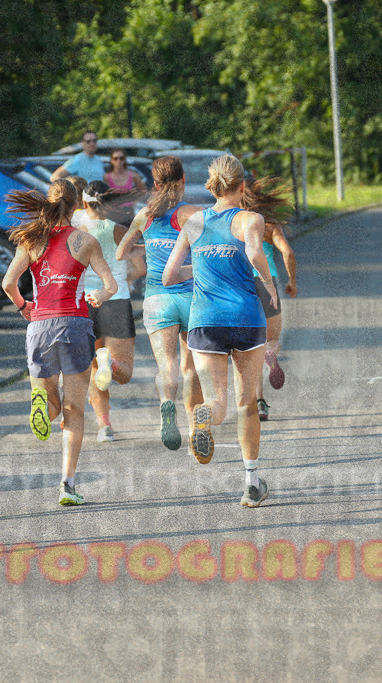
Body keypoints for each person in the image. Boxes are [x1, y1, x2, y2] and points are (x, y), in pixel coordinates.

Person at [163, 154, 276, 508]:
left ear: (213, 186)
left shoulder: (193, 223)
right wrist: (269, 284)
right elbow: (256, 252)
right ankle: (252, 484)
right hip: (245, 317)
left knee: (218, 401)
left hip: (205, 319)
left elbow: (168, 276)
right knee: (246, 404)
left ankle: (204, 416)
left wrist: (199, 271)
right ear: (243, 186)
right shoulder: (249, 218)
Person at [1, 179, 117, 506]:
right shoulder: (85, 240)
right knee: (75, 409)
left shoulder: (30, 240)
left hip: (40, 326)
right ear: (78, 204)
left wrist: (25, 306)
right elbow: (110, 285)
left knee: (50, 402)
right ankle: (67, 483)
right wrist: (99, 294)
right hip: (76, 324)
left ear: (47, 203)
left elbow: (9, 283)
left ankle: (40, 406)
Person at [116, 155, 204, 452]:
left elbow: (121, 252)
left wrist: (149, 247)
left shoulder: (144, 215)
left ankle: (167, 404)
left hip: (157, 299)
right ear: (182, 182)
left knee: (168, 365)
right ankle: (195, 430)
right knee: (191, 368)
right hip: (191, 297)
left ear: (154, 184)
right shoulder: (193, 213)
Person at [73, 180, 137, 443]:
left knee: (92, 370)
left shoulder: (77, 230)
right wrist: (126, 278)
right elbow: (140, 267)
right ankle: (108, 362)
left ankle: (104, 427)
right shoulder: (121, 230)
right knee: (123, 374)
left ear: (84, 203)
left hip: (85, 302)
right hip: (117, 301)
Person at [240, 178, 298, 421]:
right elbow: (288, 252)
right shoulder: (269, 225)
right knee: (271, 340)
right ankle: (271, 355)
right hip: (267, 283)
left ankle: (259, 402)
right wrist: (291, 281)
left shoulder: (234, 223)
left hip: (241, 286)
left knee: (251, 348)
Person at [103, 149, 147, 225]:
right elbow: (104, 195)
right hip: (113, 210)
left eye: (121, 158)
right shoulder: (107, 177)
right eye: (115, 158)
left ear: (125, 160)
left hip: (128, 210)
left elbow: (143, 190)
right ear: (111, 161)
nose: (119, 161)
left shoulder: (133, 175)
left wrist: (135, 200)